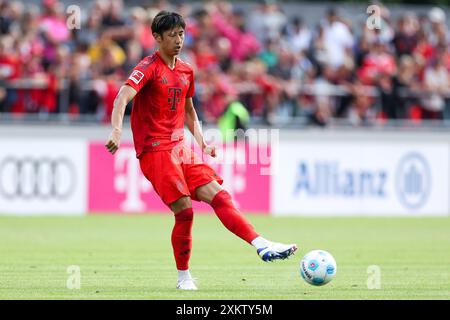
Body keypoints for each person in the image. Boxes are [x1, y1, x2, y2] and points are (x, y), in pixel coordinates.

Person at [105, 11, 297, 291]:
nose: (178, 39)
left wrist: (202, 142)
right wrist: (116, 130)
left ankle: (261, 244)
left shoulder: (186, 70)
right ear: (157, 38)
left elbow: (189, 111)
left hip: (180, 145)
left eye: (181, 33)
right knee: (184, 210)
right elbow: (122, 96)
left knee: (219, 195)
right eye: (172, 35)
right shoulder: (147, 67)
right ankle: (184, 278)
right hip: (155, 149)